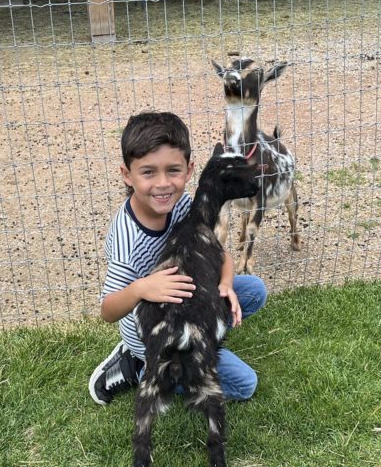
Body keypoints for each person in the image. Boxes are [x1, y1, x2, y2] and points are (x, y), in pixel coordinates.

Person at [89, 110, 267, 405]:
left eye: (173, 170)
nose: (163, 184)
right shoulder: (127, 241)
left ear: (189, 170)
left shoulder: (181, 204)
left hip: (186, 303)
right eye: (148, 172)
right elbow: (108, 310)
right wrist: (142, 288)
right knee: (245, 384)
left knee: (252, 291)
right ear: (127, 175)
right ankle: (139, 365)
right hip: (157, 333)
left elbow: (220, 254)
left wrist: (224, 284)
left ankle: (198, 339)